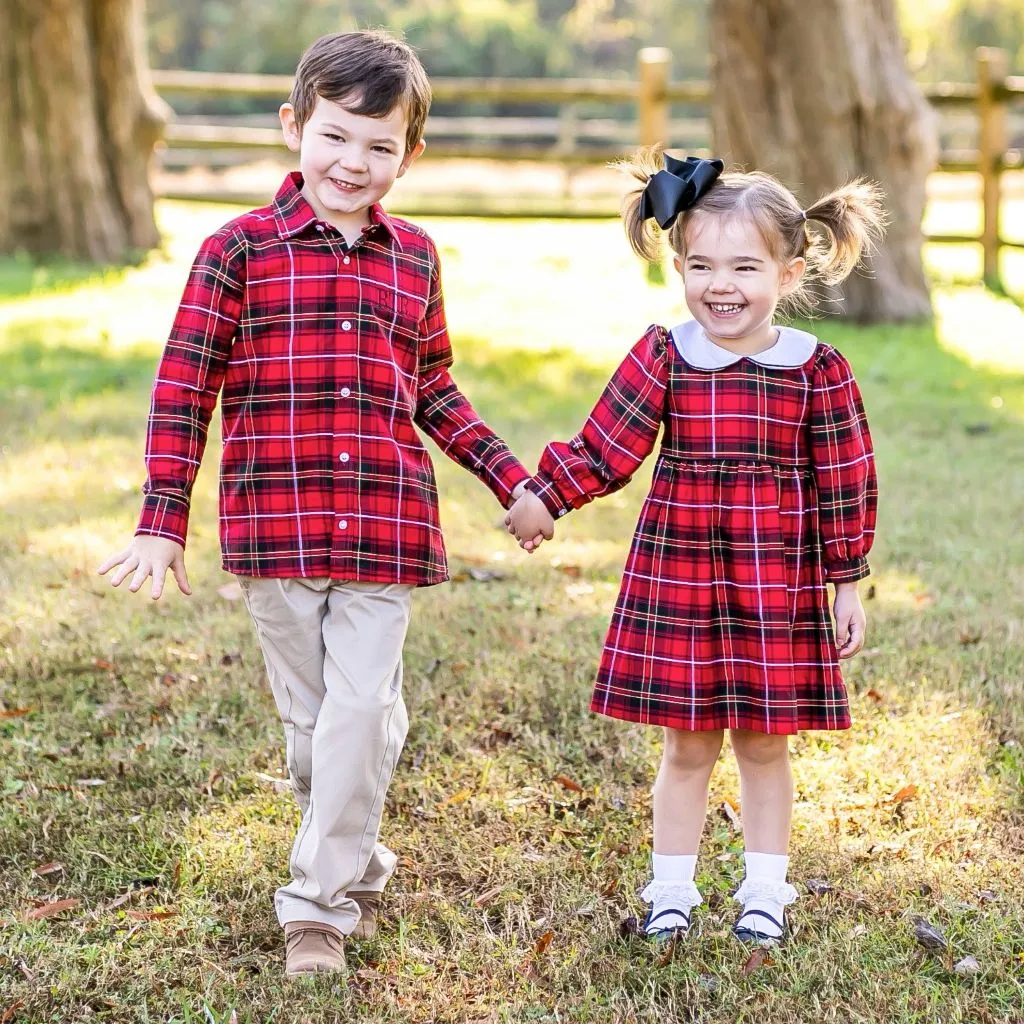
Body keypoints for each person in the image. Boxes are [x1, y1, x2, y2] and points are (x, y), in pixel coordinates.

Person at [98, 30, 532, 977]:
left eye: (380, 147)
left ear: (410, 155)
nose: (354, 163)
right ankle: (358, 843)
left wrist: (512, 479)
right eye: (337, 136)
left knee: (358, 707)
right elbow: (185, 388)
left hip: (385, 529)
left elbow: (438, 393)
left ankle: (318, 911)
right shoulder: (236, 252)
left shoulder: (415, 257)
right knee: (324, 733)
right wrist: (161, 518)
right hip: (275, 532)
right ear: (294, 126)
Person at [506, 149, 883, 945]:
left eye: (745, 266)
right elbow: (606, 446)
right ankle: (671, 891)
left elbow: (846, 480)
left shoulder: (815, 371)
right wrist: (545, 496)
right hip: (682, 575)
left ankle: (764, 892)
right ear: (677, 266)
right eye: (701, 264)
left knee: (763, 742)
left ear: (787, 273)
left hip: (773, 579)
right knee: (686, 743)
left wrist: (846, 582)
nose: (722, 285)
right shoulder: (667, 355)